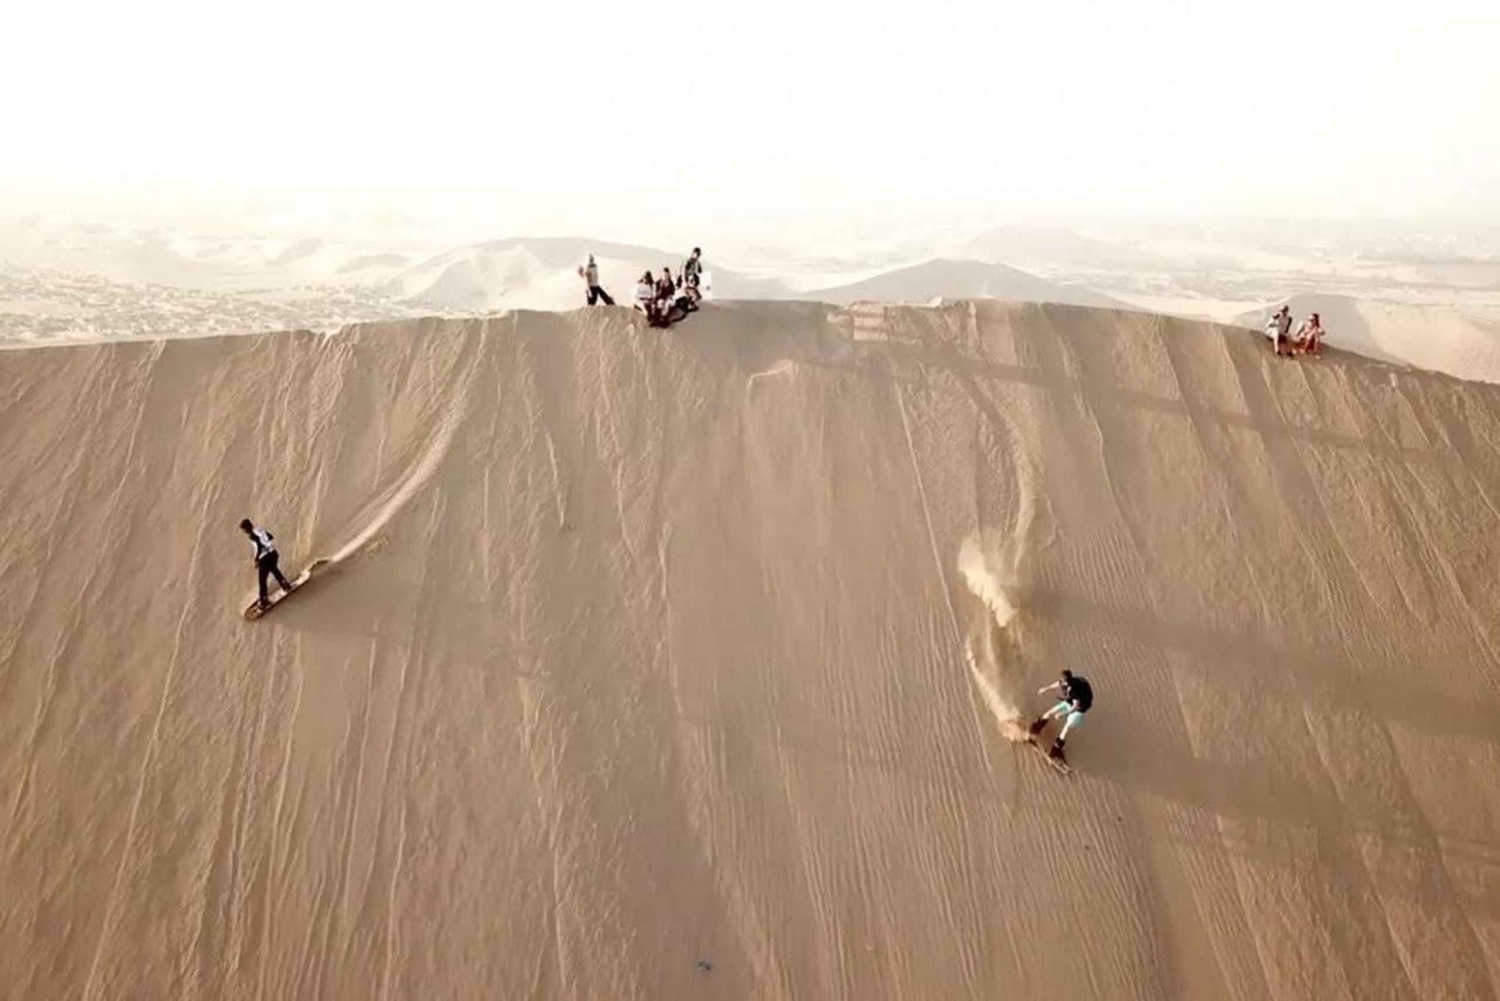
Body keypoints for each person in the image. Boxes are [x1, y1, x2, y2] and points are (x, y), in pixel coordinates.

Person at [1027, 669, 1093, 762]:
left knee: (1066, 728)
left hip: (1079, 710)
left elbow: (1075, 706)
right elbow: (1058, 684)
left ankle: (1055, 751)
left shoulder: (1074, 690)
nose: (1061, 682)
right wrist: (1045, 689)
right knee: (1049, 713)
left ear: (1068, 681)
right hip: (1069, 702)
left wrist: (1062, 714)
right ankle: (1034, 732)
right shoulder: (1065, 682)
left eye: (1063, 681)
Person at [240, 518, 293, 610]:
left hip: (265, 558)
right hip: (273, 554)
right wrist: (268, 546)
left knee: (262, 580)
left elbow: (258, 548)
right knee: (274, 569)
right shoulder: (259, 529)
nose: (244, 532)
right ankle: (285, 585)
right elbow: (271, 537)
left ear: (246, 528)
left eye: (244, 530)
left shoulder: (252, 536)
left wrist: (256, 560)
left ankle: (264, 601)